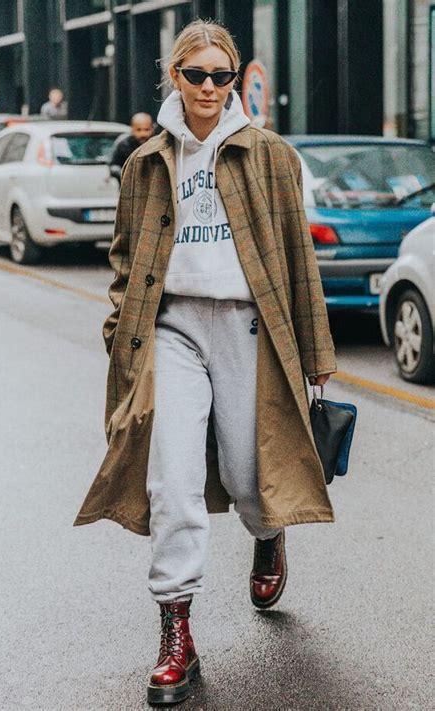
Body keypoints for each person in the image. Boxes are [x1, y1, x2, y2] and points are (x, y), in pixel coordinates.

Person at [74, 19, 336, 707]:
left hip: (248, 325)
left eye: (223, 75)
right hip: (173, 328)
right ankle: (176, 635)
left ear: (234, 77)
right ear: (175, 77)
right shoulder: (146, 162)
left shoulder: (271, 155)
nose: (211, 88)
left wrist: (317, 354)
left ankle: (269, 533)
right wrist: (117, 333)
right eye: (198, 75)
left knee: (253, 478)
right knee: (173, 480)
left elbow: (296, 256)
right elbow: (127, 258)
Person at [107, 112, 154, 183]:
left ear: (152, 129)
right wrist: (127, 175)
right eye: (138, 130)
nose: (143, 134)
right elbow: (113, 166)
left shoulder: (157, 145)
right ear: (132, 129)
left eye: (146, 129)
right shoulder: (124, 145)